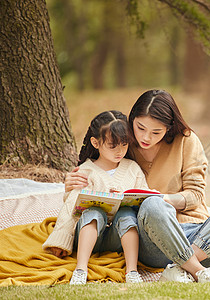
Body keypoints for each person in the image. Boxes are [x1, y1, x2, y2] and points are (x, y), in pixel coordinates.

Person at [65, 90, 210, 283]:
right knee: (152, 206)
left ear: (169, 128)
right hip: (152, 242)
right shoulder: (124, 145)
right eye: (140, 128)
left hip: (199, 240)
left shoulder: (186, 141)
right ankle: (199, 272)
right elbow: (101, 170)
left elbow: (195, 195)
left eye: (156, 132)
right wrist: (73, 182)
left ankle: (180, 267)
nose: (146, 137)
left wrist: (163, 198)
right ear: (132, 121)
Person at [43, 110, 151, 284]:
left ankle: (132, 271)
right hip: (88, 235)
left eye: (124, 144)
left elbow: (145, 200)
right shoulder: (86, 171)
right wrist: (61, 239)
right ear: (96, 142)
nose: (120, 151)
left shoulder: (132, 168)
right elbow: (71, 205)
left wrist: (126, 199)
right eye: (112, 145)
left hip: (119, 236)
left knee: (127, 215)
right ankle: (81, 269)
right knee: (93, 213)